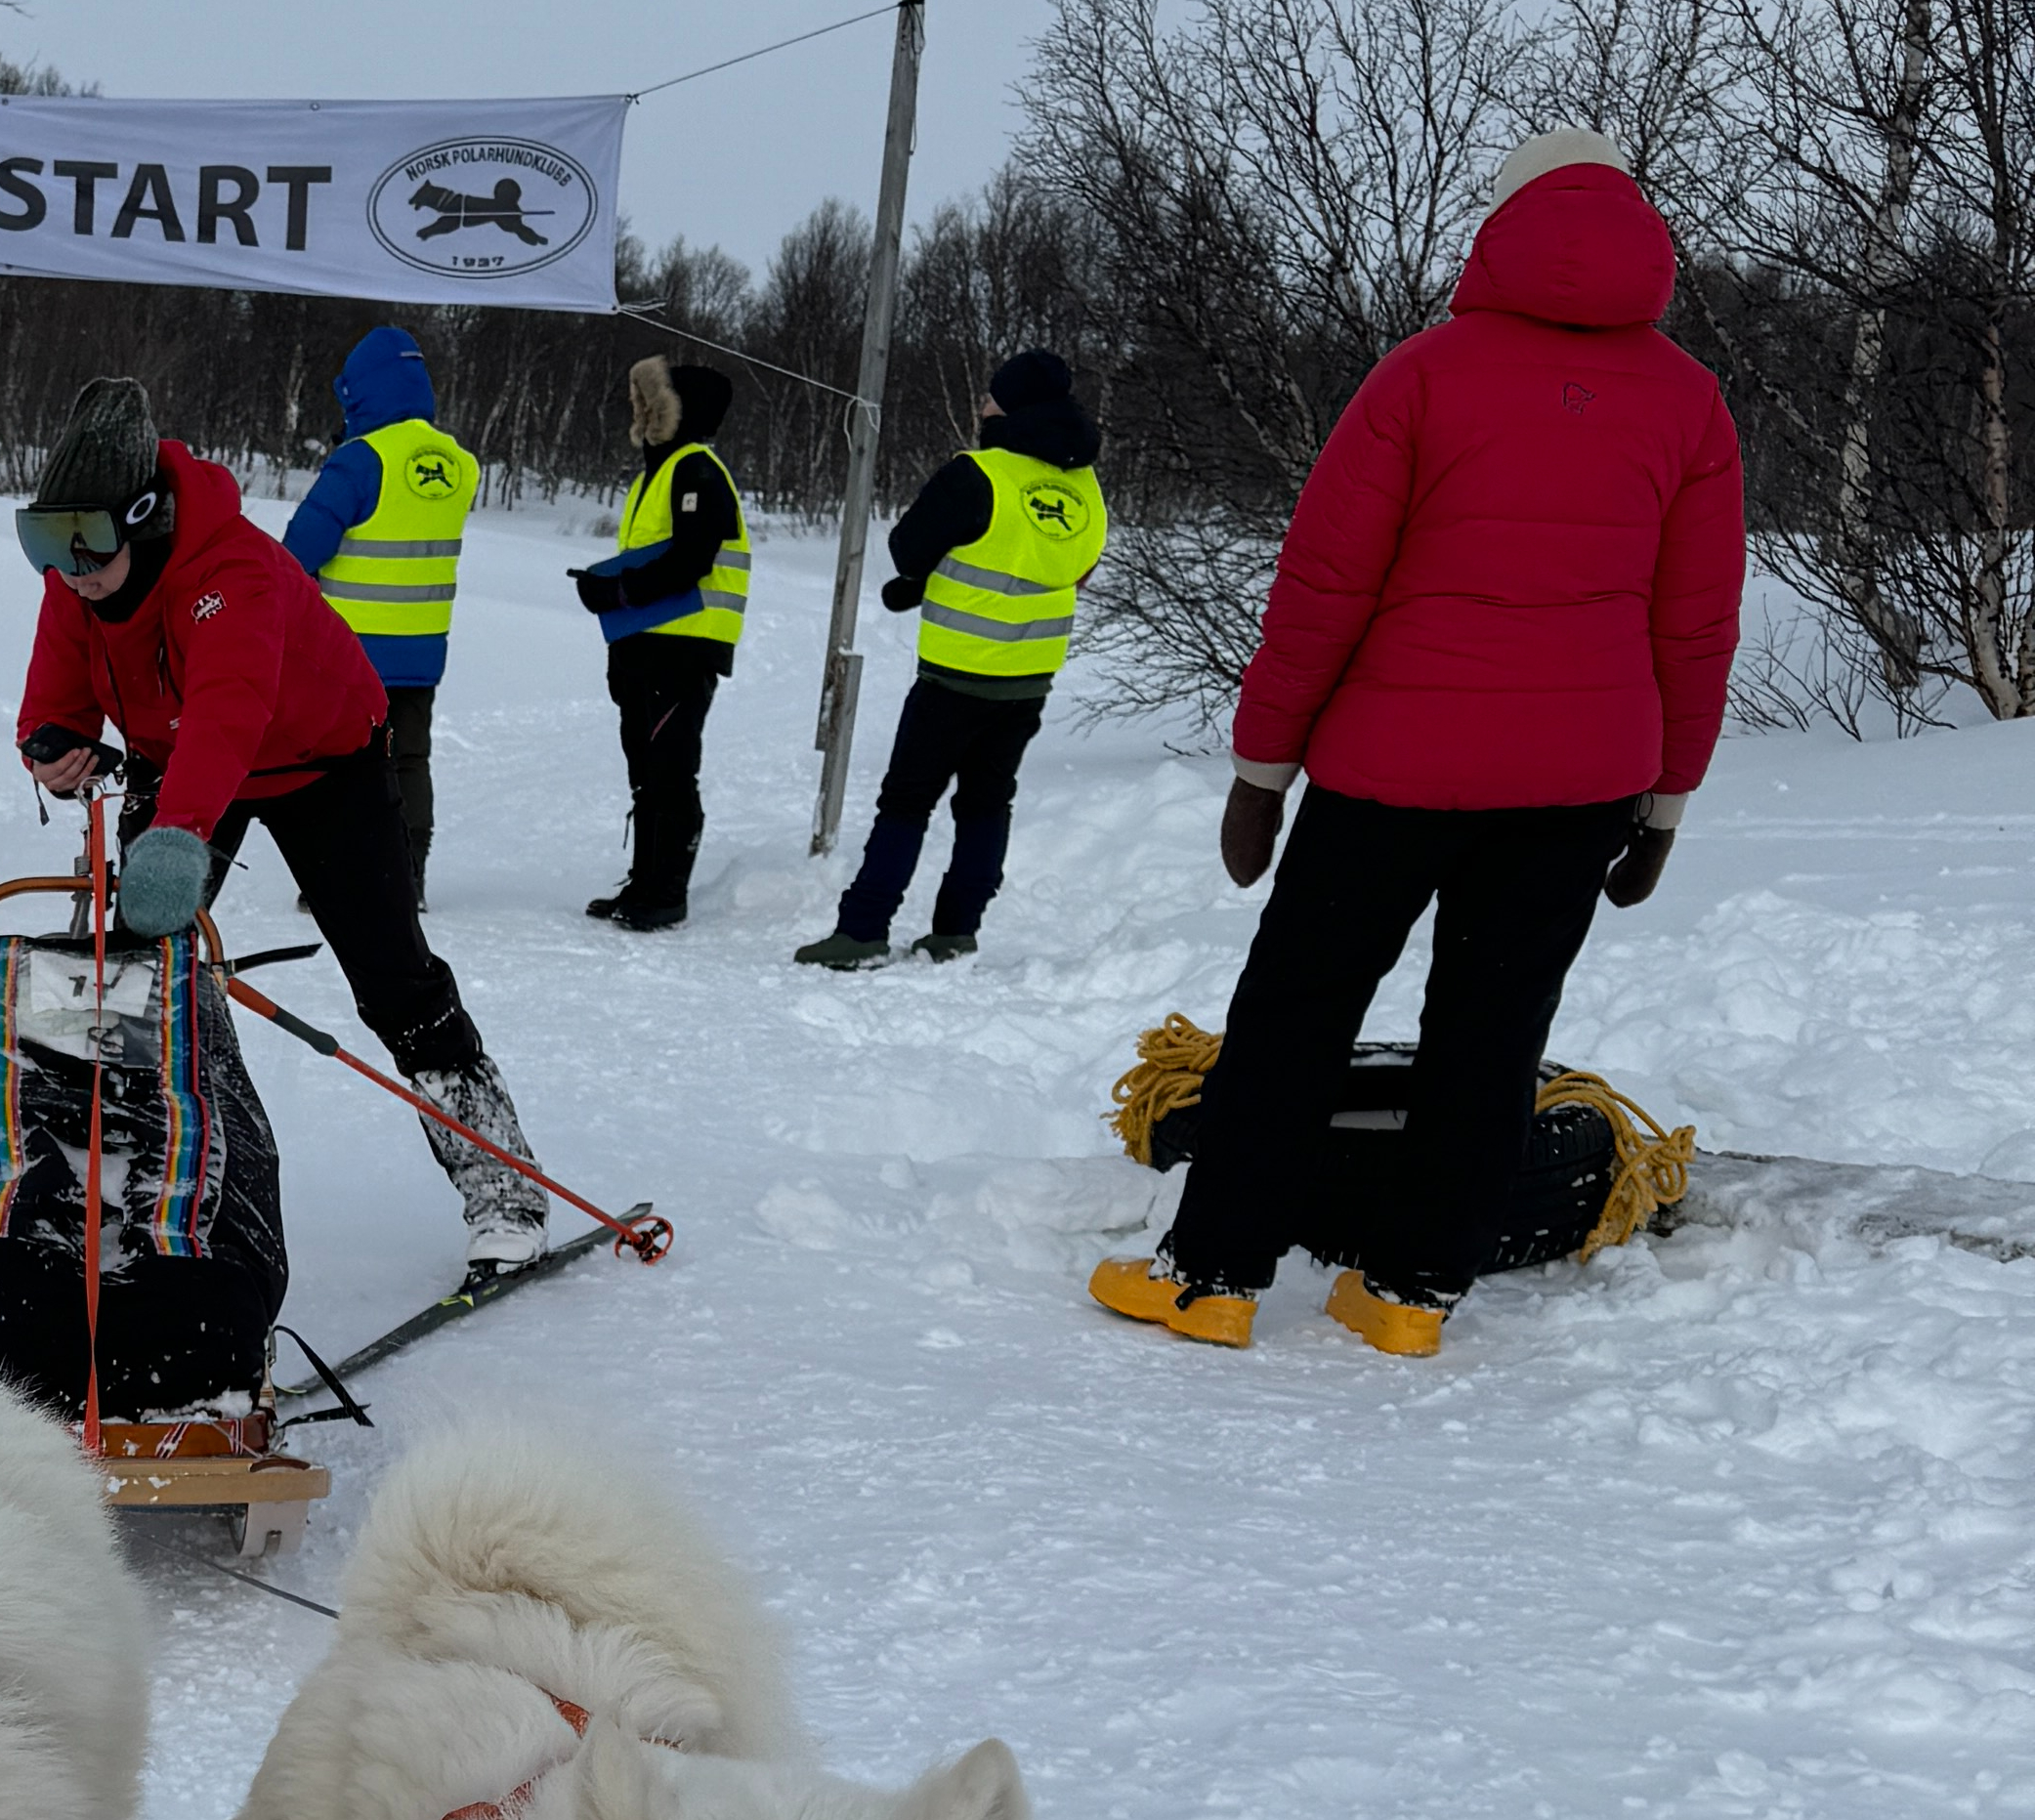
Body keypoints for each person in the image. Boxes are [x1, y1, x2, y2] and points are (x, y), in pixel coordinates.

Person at [1093, 129, 1741, 1358]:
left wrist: (1260, 770)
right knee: (1493, 1035)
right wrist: (1666, 807)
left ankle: (1211, 1275)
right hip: (1579, 786)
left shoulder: (1425, 375)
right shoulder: (1689, 401)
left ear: (1503, 226)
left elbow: (1323, 590)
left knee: (1296, 1012)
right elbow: (1697, 624)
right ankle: (1412, 1294)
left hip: (1388, 772)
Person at [12, 373, 551, 1265]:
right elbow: (58, 686)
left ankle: (504, 1188)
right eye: (45, 541)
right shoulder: (79, 572)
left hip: (321, 761)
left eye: (89, 542)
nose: (69, 566)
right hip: (177, 754)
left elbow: (233, 707)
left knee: (394, 981)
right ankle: (106, 1180)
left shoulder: (234, 570)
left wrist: (180, 834)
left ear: (143, 517)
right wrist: (48, 743)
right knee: (130, 969)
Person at [797, 350, 1112, 970]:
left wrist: (919, 576)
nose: (982, 405)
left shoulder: (977, 474)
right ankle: (956, 932)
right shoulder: (1086, 486)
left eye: (992, 397)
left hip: (954, 674)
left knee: (907, 801)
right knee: (987, 803)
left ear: (1014, 406)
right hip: (1028, 678)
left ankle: (862, 930)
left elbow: (909, 548)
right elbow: (1074, 568)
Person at [278, 322, 482, 891]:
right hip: (421, 650)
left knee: (340, 765)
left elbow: (301, 551)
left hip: (347, 655)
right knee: (409, 760)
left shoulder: (360, 460)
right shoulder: (460, 465)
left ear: (363, 392)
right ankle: (407, 875)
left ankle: (340, 876)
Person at [566, 354, 749, 928]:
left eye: (652, 404)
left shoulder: (696, 470)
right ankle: (646, 883)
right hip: (645, 645)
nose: (641, 414)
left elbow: (691, 559)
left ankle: (665, 893)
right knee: (647, 770)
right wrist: (609, 587)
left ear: (675, 411)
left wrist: (618, 591)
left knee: (669, 771)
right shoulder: (658, 474)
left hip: (684, 648)